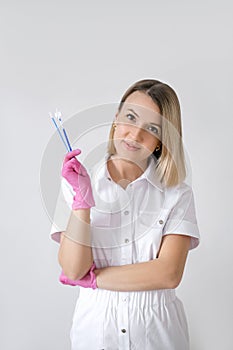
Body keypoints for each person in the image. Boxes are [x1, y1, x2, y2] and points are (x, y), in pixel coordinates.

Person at [51, 79, 200, 350]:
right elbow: (73, 268)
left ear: (160, 140)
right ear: (116, 119)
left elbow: (168, 273)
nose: (134, 135)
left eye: (151, 128)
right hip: (95, 332)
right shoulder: (77, 182)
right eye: (130, 117)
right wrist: (82, 203)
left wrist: (95, 279)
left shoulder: (177, 194)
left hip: (158, 334)